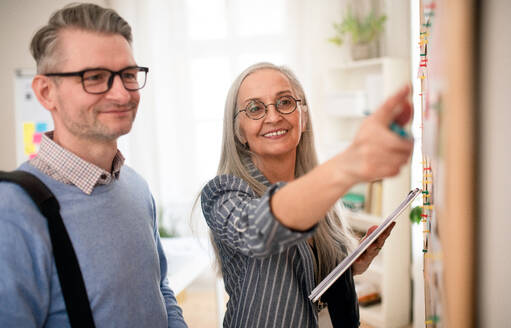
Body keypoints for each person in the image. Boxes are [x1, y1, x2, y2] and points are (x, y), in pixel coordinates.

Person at [0, 4, 187, 327]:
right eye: (95, 77)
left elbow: (160, 289)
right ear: (46, 92)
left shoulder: (136, 186)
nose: (121, 93)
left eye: (128, 75)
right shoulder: (12, 212)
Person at [200, 62, 413, 327]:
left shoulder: (315, 190)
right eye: (255, 108)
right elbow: (257, 231)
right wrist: (349, 163)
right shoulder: (221, 193)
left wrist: (352, 266)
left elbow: (311, 285)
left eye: (285, 102)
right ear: (239, 131)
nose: (274, 116)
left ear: (303, 116)